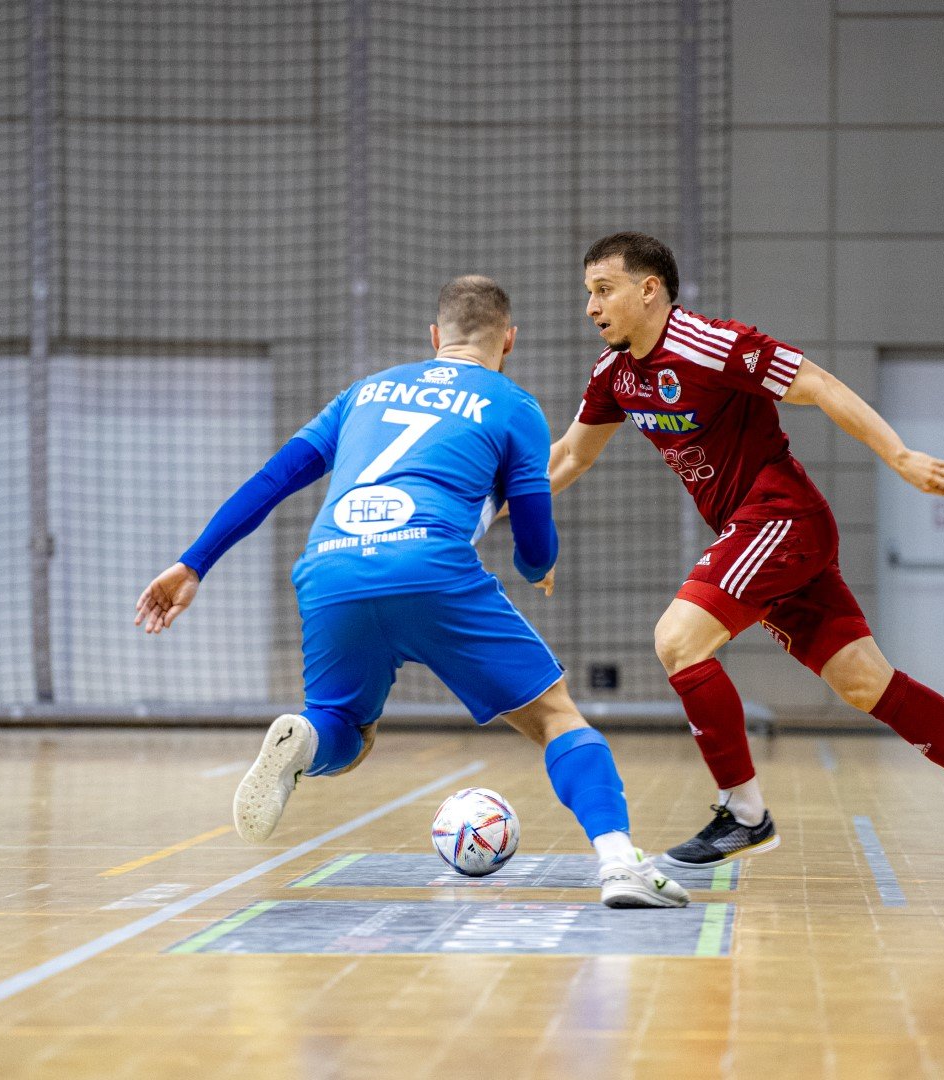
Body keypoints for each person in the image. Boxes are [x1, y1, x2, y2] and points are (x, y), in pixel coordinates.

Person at [134, 275, 690, 909]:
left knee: (343, 726)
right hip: (430, 567)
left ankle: (306, 740)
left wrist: (193, 564)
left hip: (330, 567)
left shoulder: (363, 393)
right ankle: (619, 864)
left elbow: (271, 481)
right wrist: (539, 568)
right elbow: (535, 539)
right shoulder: (513, 405)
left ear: (434, 337)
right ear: (509, 340)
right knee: (556, 717)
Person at [542, 232, 944, 872]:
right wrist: (488, 504)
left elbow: (818, 383)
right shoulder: (614, 373)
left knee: (677, 640)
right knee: (864, 683)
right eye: (587, 292)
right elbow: (569, 456)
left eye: (603, 290)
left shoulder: (711, 344)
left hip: (781, 518)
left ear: (649, 290)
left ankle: (744, 815)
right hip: (761, 535)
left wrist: (899, 455)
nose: (591, 306)